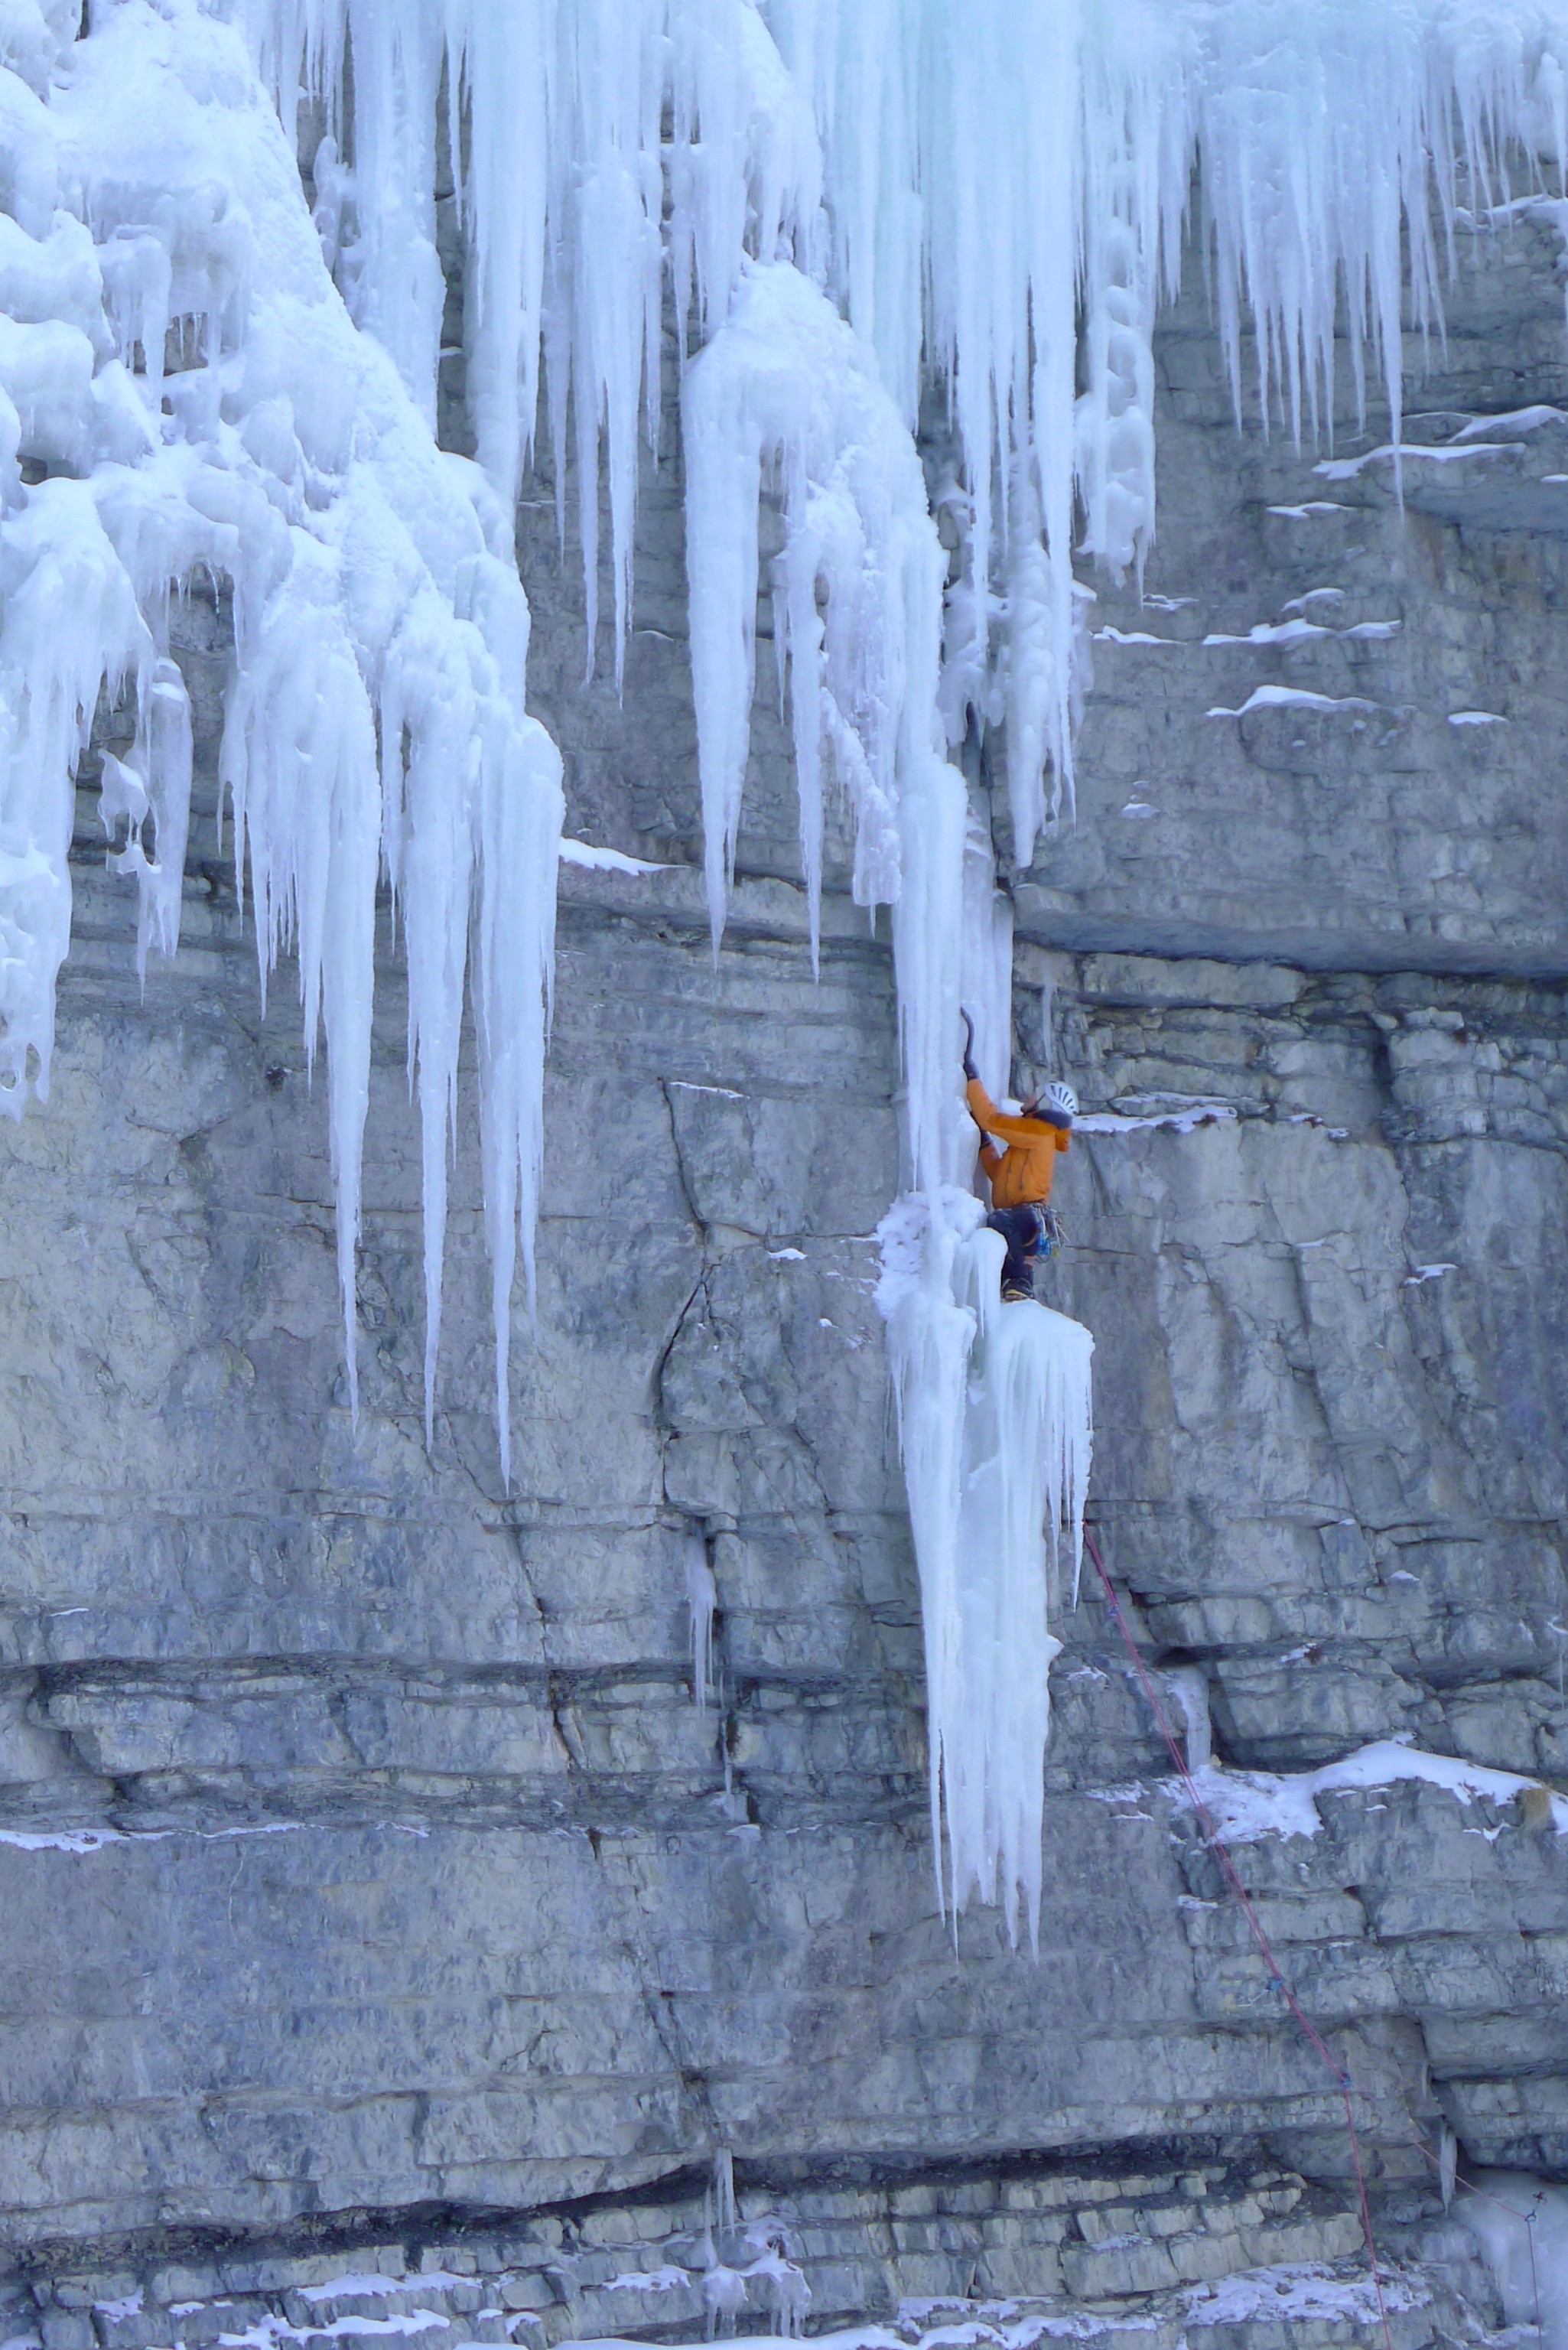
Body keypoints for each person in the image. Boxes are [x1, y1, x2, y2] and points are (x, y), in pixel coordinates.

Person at [961, 1010, 1077, 1303]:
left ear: (1045, 1102)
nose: (1027, 1097)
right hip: (1025, 1218)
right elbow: (1000, 1175)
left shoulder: (1038, 1131)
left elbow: (991, 1118)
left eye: (1034, 1094)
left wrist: (972, 1079)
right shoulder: (1035, 1137)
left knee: (1000, 1222)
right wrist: (983, 1144)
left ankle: (1019, 1282)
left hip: (1026, 1216)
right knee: (1001, 1222)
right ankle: (1013, 1280)